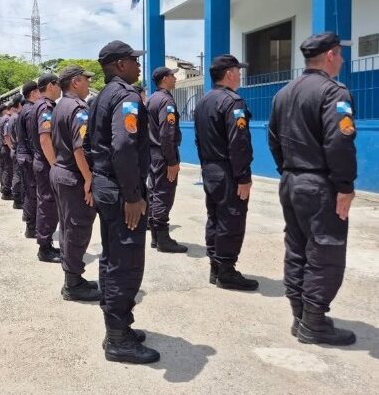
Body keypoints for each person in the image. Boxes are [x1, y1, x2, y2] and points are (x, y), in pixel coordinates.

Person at [269, 32, 357, 346]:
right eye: (340, 54)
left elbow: (273, 139)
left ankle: (300, 315)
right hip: (320, 185)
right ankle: (314, 323)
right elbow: (340, 142)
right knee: (325, 251)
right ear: (331, 55)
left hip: (292, 181)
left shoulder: (284, 93)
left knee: (297, 249)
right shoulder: (334, 93)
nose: (343, 60)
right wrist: (344, 186)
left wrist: (289, 171)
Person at [87, 40, 159, 364]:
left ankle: (117, 328)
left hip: (107, 185)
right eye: (133, 60)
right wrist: (132, 196)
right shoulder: (126, 97)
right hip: (120, 191)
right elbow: (124, 147)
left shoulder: (102, 97)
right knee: (126, 263)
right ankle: (118, 339)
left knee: (112, 257)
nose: (138, 64)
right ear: (119, 65)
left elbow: (92, 145)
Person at [194, 55, 258, 291]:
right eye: (237, 71)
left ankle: (216, 266)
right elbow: (238, 142)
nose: (240, 75)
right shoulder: (233, 102)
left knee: (215, 217)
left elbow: (199, 139)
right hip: (228, 170)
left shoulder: (203, 101)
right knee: (231, 219)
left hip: (210, 169)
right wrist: (243, 176)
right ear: (229, 73)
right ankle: (227, 271)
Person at [50, 66, 101, 302]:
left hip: (62, 172)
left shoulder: (60, 105)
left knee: (69, 226)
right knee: (77, 228)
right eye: (86, 80)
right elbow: (80, 148)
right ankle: (72, 284)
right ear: (76, 81)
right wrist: (89, 179)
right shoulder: (79, 108)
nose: (89, 85)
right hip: (74, 175)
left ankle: (73, 277)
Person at [146, 67, 187, 253]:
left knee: (155, 192)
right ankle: (163, 239)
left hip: (152, 154)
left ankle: (156, 237)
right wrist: (172, 161)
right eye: (172, 75)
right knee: (164, 194)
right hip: (164, 155)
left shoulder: (151, 99)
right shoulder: (166, 101)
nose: (175, 78)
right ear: (164, 79)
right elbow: (167, 133)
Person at [30, 72, 63, 263]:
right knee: (48, 205)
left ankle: (47, 243)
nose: (60, 88)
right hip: (45, 163)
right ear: (50, 86)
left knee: (47, 203)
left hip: (42, 162)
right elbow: (45, 139)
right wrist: (55, 165)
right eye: (58, 84)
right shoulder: (45, 107)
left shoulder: (40, 106)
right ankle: (44, 247)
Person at [16, 81, 41, 238]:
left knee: (29, 191)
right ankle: (32, 227)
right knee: (33, 192)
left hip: (23, 156)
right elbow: (33, 139)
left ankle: (29, 220)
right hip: (28, 157)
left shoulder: (24, 109)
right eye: (39, 92)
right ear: (33, 93)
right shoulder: (30, 110)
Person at [5, 94, 24, 209]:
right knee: (18, 175)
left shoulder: (12, 117)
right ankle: (17, 199)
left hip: (15, 148)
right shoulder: (17, 117)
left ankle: (17, 198)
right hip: (18, 148)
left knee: (17, 174)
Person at [0, 102, 13, 200]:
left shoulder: (0, 120)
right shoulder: (6, 119)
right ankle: (6, 191)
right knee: (8, 168)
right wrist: (11, 147)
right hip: (5, 145)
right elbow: (6, 135)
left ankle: (3, 186)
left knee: (2, 167)